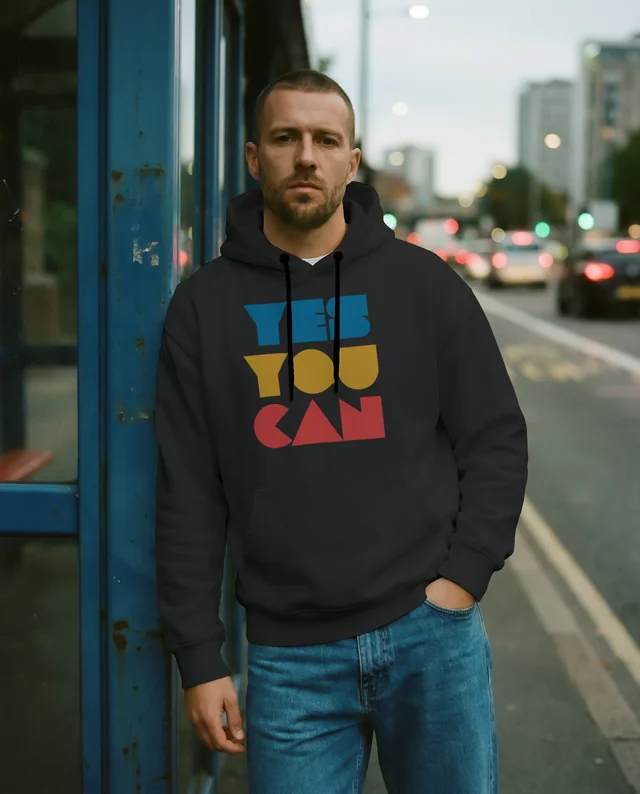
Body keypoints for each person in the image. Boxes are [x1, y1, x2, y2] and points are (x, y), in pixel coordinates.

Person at [154, 68, 528, 794]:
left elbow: (496, 439)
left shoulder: (426, 287)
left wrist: (463, 577)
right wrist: (199, 657)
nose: (307, 156)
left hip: (432, 638)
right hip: (291, 662)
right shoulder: (205, 307)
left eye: (327, 140)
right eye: (286, 137)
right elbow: (189, 493)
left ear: (352, 162)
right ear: (255, 156)